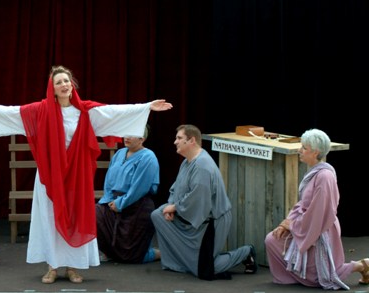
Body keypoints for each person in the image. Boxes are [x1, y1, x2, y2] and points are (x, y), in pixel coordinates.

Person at [0, 65, 172, 284]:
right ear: (52, 88)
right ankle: (52, 267)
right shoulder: (40, 111)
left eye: (67, 81)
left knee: (75, 219)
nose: (64, 85)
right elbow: (11, 112)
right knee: (50, 219)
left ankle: (74, 267)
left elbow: (115, 112)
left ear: (72, 84)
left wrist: (147, 107)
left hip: (76, 176)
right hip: (50, 176)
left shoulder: (85, 111)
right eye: (59, 82)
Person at [264, 128, 369, 289]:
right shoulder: (314, 172)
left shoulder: (324, 176)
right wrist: (287, 222)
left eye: (304, 148)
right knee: (272, 240)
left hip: (321, 228)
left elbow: (319, 213)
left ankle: (362, 266)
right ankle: (296, 276)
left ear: (315, 152)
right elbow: (303, 204)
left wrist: (292, 225)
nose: (300, 150)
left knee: (324, 277)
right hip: (306, 224)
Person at [150, 124, 256, 280]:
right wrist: (170, 206)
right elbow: (175, 189)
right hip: (192, 215)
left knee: (205, 270)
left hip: (211, 222)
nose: (175, 142)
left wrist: (174, 207)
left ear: (192, 140)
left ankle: (245, 252)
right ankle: (186, 262)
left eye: (179, 138)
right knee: (158, 215)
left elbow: (198, 200)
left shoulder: (202, 166)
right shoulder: (187, 162)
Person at [96, 125, 161, 264]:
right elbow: (109, 179)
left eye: (132, 134)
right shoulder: (120, 153)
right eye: (126, 134)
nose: (127, 137)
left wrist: (120, 203)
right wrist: (108, 199)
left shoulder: (148, 157)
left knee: (131, 256)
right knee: (96, 214)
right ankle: (110, 252)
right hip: (113, 201)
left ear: (142, 139)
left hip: (137, 205)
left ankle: (157, 254)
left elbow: (139, 187)